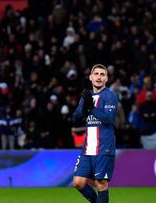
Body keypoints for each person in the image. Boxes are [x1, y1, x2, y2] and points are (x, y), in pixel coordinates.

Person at [72, 64, 118, 203]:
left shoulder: (110, 96)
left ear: (106, 79)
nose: (99, 77)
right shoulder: (87, 96)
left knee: (101, 184)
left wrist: (91, 108)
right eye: (96, 74)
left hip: (104, 146)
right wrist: (85, 107)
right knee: (78, 182)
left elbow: (108, 120)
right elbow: (75, 117)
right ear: (91, 78)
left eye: (102, 74)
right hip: (87, 148)